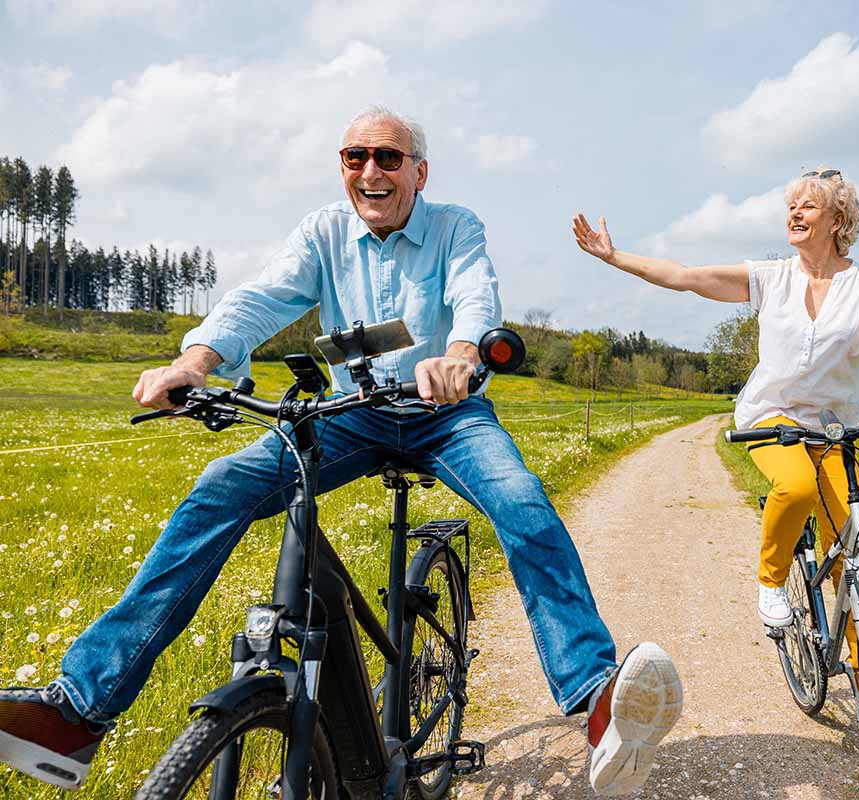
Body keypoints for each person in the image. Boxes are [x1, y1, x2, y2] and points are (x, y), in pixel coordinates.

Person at [0, 106, 682, 796]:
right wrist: (196, 362)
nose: (370, 170)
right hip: (350, 412)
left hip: (445, 410)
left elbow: (475, 293)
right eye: (354, 156)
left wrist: (460, 353)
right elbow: (261, 299)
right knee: (219, 485)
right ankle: (79, 711)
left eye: (388, 157)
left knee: (520, 500)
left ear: (420, 172)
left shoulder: (456, 227)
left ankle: (595, 697)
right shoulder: (322, 233)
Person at [573, 168, 859, 708]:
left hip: (832, 431)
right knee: (797, 489)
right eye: (792, 206)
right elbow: (685, 275)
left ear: (839, 220)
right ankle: (772, 581)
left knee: (849, 551)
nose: (795, 213)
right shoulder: (771, 278)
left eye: (808, 205)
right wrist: (614, 257)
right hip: (770, 420)